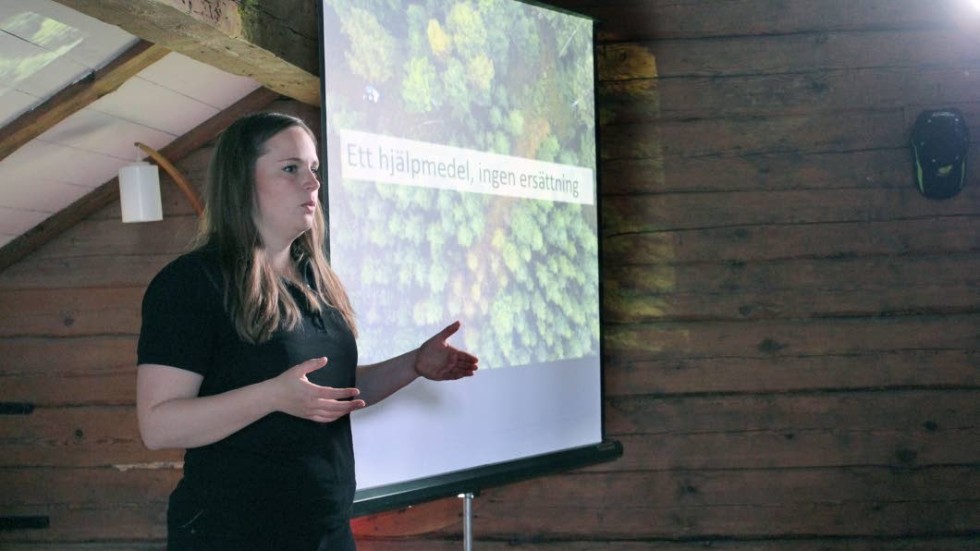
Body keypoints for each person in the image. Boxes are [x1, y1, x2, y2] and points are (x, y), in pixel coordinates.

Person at [135, 111, 479, 550]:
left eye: (313, 169)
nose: (312, 184)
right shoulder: (191, 284)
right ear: (242, 182)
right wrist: (272, 395)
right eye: (291, 169)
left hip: (326, 533)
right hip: (232, 534)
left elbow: (327, 394)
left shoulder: (313, 277)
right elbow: (159, 426)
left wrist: (413, 364)